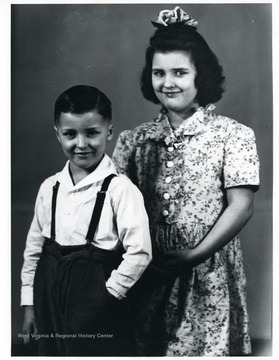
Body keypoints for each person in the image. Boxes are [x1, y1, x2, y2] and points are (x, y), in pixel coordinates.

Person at [112, 6, 260, 357]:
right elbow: (114, 207)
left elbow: (242, 205)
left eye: (180, 72)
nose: (168, 83)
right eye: (158, 73)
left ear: (201, 76)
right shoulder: (136, 140)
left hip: (206, 267)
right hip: (150, 268)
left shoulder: (232, 135)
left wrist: (195, 254)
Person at [20, 85, 152, 356]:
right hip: (48, 294)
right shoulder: (50, 187)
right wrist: (30, 305)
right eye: (70, 134)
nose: (81, 144)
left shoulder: (120, 189)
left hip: (96, 299)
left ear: (109, 132)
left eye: (92, 133)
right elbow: (34, 250)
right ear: (58, 134)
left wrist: (109, 294)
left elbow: (140, 252)